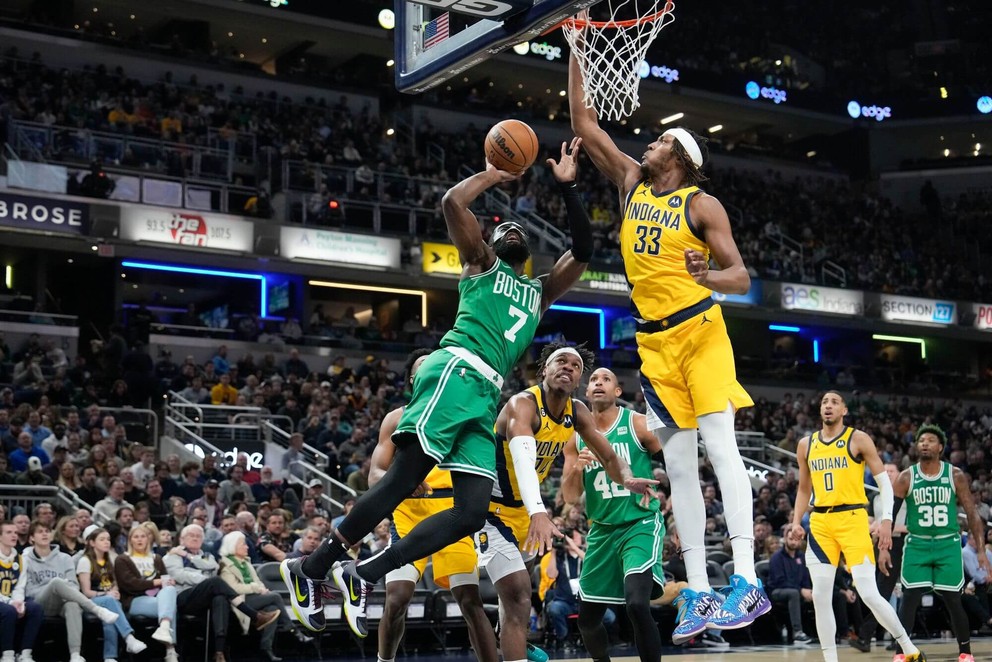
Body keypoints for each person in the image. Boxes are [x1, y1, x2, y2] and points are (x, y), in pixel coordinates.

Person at [282, 137, 637, 642]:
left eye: (519, 230)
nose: (511, 230)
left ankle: (362, 574)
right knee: (406, 478)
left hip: (484, 394)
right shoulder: (481, 264)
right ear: (491, 243)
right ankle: (312, 568)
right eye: (503, 227)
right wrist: (495, 174)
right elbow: (452, 202)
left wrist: (569, 188)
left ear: (531, 256)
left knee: (471, 511)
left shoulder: (539, 295)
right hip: (456, 370)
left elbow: (582, 249)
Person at [568, 49, 766, 642]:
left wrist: (707, 276)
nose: (647, 145)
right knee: (678, 467)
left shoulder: (702, 204)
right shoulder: (632, 183)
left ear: (679, 156)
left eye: (658, 141)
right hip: (654, 345)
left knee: (721, 448)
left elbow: (742, 277)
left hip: (700, 331)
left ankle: (748, 579)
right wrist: (577, 45)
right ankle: (701, 592)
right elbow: (584, 123)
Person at [481, 344, 656, 662]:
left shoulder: (577, 411)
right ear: (543, 370)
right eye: (560, 361)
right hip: (491, 509)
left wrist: (626, 478)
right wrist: (540, 510)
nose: (568, 367)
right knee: (519, 594)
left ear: (578, 381)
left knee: (517, 600)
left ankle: (503, 636)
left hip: (527, 509)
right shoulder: (523, 403)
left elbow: (609, 456)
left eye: (576, 365)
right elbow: (524, 461)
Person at [369, 349, 497, 662]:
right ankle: (384, 660)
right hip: (410, 514)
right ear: (413, 379)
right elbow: (375, 475)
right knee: (397, 600)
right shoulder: (397, 418)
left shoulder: (466, 414)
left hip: (453, 514)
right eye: (425, 366)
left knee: (470, 599)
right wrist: (404, 483)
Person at [788, 392, 926, 662]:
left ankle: (909, 649)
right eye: (824, 402)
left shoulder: (858, 439)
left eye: (834, 402)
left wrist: (886, 520)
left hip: (852, 519)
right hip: (821, 523)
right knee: (820, 595)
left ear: (844, 410)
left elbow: (884, 483)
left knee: (868, 592)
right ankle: (831, 659)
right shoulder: (806, 444)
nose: (828, 406)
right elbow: (804, 488)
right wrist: (795, 522)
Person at [560, 367, 665, 662]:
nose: (598, 383)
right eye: (593, 380)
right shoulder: (575, 438)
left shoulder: (638, 424)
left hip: (639, 523)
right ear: (586, 390)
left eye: (606, 380)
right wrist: (577, 468)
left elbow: (675, 460)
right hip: (602, 531)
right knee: (587, 620)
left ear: (617, 392)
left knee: (636, 605)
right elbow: (569, 496)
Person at [892, 424, 988, 662]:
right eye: (921, 440)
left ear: (941, 448)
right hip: (917, 543)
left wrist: (982, 550)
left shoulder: (954, 475)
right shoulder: (905, 477)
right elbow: (888, 517)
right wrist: (884, 546)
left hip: (947, 544)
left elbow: (972, 513)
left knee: (953, 599)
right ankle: (901, 653)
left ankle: (965, 652)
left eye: (930, 440)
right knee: (909, 598)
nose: (924, 443)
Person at [163, 524, 279, 662]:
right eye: (191, 536)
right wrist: (205, 578)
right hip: (184, 597)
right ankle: (254, 615)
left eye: (198, 536)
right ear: (182, 539)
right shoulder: (173, 555)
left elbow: (214, 566)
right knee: (216, 582)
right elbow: (179, 575)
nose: (195, 538)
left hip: (207, 598)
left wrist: (190, 558)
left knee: (220, 598)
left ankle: (219, 652)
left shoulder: (206, 555)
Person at [11, 521, 121, 662]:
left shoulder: (65, 558)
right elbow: (30, 591)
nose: (44, 534)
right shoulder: (25, 560)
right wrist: (54, 588)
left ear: (51, 535)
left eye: (47, 531)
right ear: (32, 538)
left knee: (72, 604)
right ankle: (96, 609)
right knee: (56, 582)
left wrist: (62, 591)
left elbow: (74, 586)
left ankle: (75, 655)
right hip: (39, 603)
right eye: (40, 531)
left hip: (63, 602)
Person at [218, 531, 313, 662]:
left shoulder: (246, 562)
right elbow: (233, 588)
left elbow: (257, 580)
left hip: (253, 598)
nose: (247, 547)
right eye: (243, 544)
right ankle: (292, 628)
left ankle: (266, 649)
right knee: (275, 596)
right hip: (238, 602)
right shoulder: (225, 565)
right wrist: (256, 588)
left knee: (273, 609)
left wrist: (262, 588)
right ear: (233, 546)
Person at [76, 526, 149, 662]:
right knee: (110, 603)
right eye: (102, 539)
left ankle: (110, 657)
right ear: (92, 543)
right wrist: (106, 594)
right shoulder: (85, 561)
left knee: (110, 616)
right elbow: (86, 592)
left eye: (108, 539)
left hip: (107, 602)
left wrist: (114, 591)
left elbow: (114, 582)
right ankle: (129, 637)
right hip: (89, 602)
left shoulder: (109, 560)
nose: (106, 542)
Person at [0, 520, 43, 662]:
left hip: (12, 599)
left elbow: (20, 585)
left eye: (15, 533)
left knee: (35, 608)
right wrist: (11, 602)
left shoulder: (20, 559)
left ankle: (25, 654)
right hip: (3, 601)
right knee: (8, 611)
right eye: (9, 532)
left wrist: (19, 602)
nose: (14, 536)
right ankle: (7, 654)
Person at [766, 524, 814, 644]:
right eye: (790, 539)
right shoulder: (776, 557)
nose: (793, 542)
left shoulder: (801, 557)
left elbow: (805, 577)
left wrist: (808, 590)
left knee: (818, 593)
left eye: (795, 540)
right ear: (785, 539)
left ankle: (832, 632)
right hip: (777, 591)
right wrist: (800, 590)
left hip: (797, 590)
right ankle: (797, 633)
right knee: (793, 593)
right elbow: (779, 581)